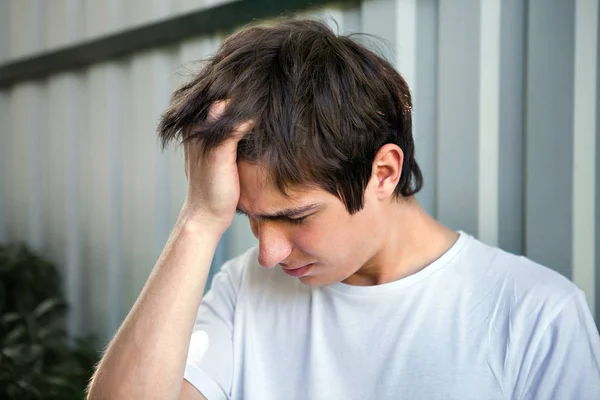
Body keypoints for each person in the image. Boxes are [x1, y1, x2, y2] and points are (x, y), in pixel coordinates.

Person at [86, 19, 600, 400]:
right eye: (249, 217)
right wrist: (199, 222)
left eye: (295, 217)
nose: (268, 253)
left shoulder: (535, 316)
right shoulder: (244, 291)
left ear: (384, 172)